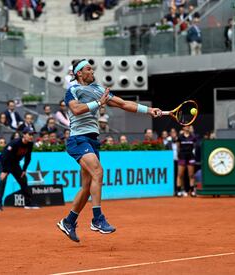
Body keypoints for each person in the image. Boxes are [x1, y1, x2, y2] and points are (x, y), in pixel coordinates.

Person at [56, 59, 161, 242]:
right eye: (88, 68)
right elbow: (77, 109)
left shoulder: (98, 89)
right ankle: (97, 219)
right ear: (79, 73)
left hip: (92, 140)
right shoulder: (72, 90)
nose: (92, 71)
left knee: (88, 186)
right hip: (77, 139)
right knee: (98, 171)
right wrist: (98, 103)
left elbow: (123, 104)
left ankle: (68, 221)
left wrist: (149, 110)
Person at [0, 127, 39, 211]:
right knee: (3, 180)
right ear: (24, 135)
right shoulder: (15, 143)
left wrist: (24, 170)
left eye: (32, 135)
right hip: (4, 162)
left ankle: (28, 203)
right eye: (29, 134)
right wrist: (4, 171)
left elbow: (28, 157)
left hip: (14, 164)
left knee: (23, 179)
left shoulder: (30, 144)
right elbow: (4, 156)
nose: (31, 136)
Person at [176, 125, 197, 197]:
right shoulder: (180, 137)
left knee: (191, 175)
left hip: (190, 156)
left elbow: (194, 146)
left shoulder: (193, 137)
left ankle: (192, 191)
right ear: (183, 128)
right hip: (182, 156)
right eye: (186, 126)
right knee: (180, 174)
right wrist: (179, 155)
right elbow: (178, 147)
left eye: (189, 126)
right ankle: (179, 191)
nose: (187, 127)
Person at [165, 128, 178, 195]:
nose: (173, 134)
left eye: (174, 132)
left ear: (176, 133)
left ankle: (178, 190)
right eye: (172, 132)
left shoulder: (179, 142)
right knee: (172, 176)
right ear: (170, 134)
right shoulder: (168, 144)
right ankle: (172, 190)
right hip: (171, 162)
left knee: (178, 176)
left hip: (178, 161)